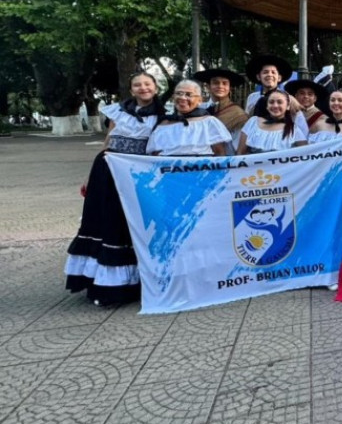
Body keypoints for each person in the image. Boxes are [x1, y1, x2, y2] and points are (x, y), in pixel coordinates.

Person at [65, 71, 163, 306]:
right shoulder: (118, 112)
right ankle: (100, 280)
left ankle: (130, 283)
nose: (143, 88)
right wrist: (90, 176)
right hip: (106, 170)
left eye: (147, 84)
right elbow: (108, 141)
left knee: (125, 224)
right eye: (137, 85)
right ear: (131, 90)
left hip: (135, 173)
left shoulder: (163, 115)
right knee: (101, 221)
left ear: (155, 88)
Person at [147, 80, 232, 156]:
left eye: (189, 94)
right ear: (173, 98)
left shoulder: (209, 123)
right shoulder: (163, 125)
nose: (183, 98)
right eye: (179, 93)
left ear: (199, 100)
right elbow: (155, 157)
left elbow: (220, 154)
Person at [193, 68, 249, 154]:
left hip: (226, 158)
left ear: (230, 88)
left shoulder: (238, 114)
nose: (220, 86)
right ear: (208, 86)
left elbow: (239, 147)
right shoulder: (198, 109)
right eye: (216, 83)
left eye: (225, 83)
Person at [237, 90, 307, 154]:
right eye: (271, 102)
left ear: (288, 106)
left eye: (279, 102)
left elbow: (306, 154)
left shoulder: (294, 130)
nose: (275, 106)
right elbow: (240, 153)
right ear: (267, 106)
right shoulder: (253, 122)